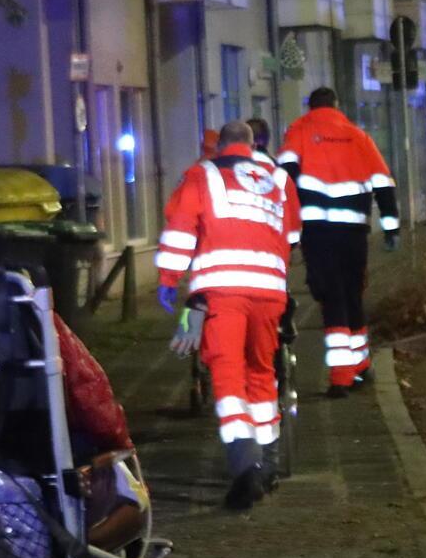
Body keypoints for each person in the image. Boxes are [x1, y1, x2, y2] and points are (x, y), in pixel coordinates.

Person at [155, 121, 301, 509]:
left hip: (223, 291)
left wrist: (169, 278)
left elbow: (181, 230)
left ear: (220, 145)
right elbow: (290, 237)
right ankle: (268, 461)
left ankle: (244, 464)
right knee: (261, 370)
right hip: (269, 292)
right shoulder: (279, 178)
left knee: (227, 373)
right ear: (253, 146)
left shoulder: (202, 175)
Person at [277, 88, 399, 399]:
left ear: (310, 106)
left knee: (331, 297)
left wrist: (286, 226)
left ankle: (341, 377)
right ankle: (361, 364)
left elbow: (285, 178)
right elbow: (383, 183)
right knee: (352, 293)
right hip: (354, 232)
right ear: (336, 106)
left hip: (317, 231)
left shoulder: (299, 132)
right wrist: (390, 227)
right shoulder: (357, 136)